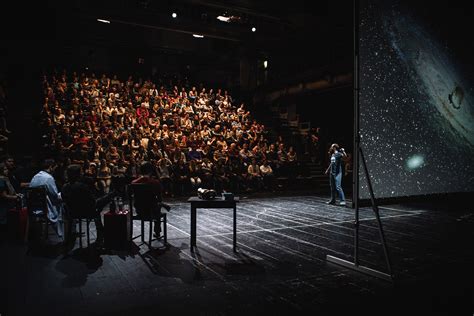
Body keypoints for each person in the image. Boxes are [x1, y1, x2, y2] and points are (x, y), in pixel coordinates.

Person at [61, 164, 116, 247]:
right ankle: (114, 193)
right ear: (78, 174)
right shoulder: (82, 186)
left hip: (72, 213)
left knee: (98, 207)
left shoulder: (65, 187)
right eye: (81, 172)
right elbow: (92, 202)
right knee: (105, 199)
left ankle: (101, 236)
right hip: (87, 212)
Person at [131, 161, 170, 237]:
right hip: (151, 211)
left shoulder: (134, 182)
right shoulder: (155, 182)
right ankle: (157, 231)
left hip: (139, 210)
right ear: (151, 171)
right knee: (158, 206)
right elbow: (159, 198)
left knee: (156, 204)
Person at [29, 159, 64, 239]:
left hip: (34, 207)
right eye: (54, 168)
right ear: (51, 167)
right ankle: (63, 234)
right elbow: (54, 195)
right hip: (46, 207)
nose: (55, 170)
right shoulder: (49, 178)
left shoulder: (35, 176)